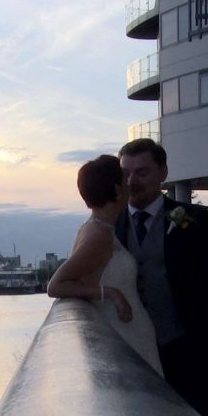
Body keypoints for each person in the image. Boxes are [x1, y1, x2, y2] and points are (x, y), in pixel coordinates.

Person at [117, 138, 208, 416]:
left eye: (142, 172)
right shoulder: (111, 224)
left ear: (163, 172)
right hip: (135, 358)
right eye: (126, 173)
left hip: (193, 351)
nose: (132, 181)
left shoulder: (189, 218)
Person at [47, 155, 163, 377]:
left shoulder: (98, 228)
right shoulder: (98, 236)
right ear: (118, 190)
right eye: (124, 177)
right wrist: (111, 293)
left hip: (131, 333)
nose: (130, 182)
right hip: (124, 336)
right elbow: (56, 285)